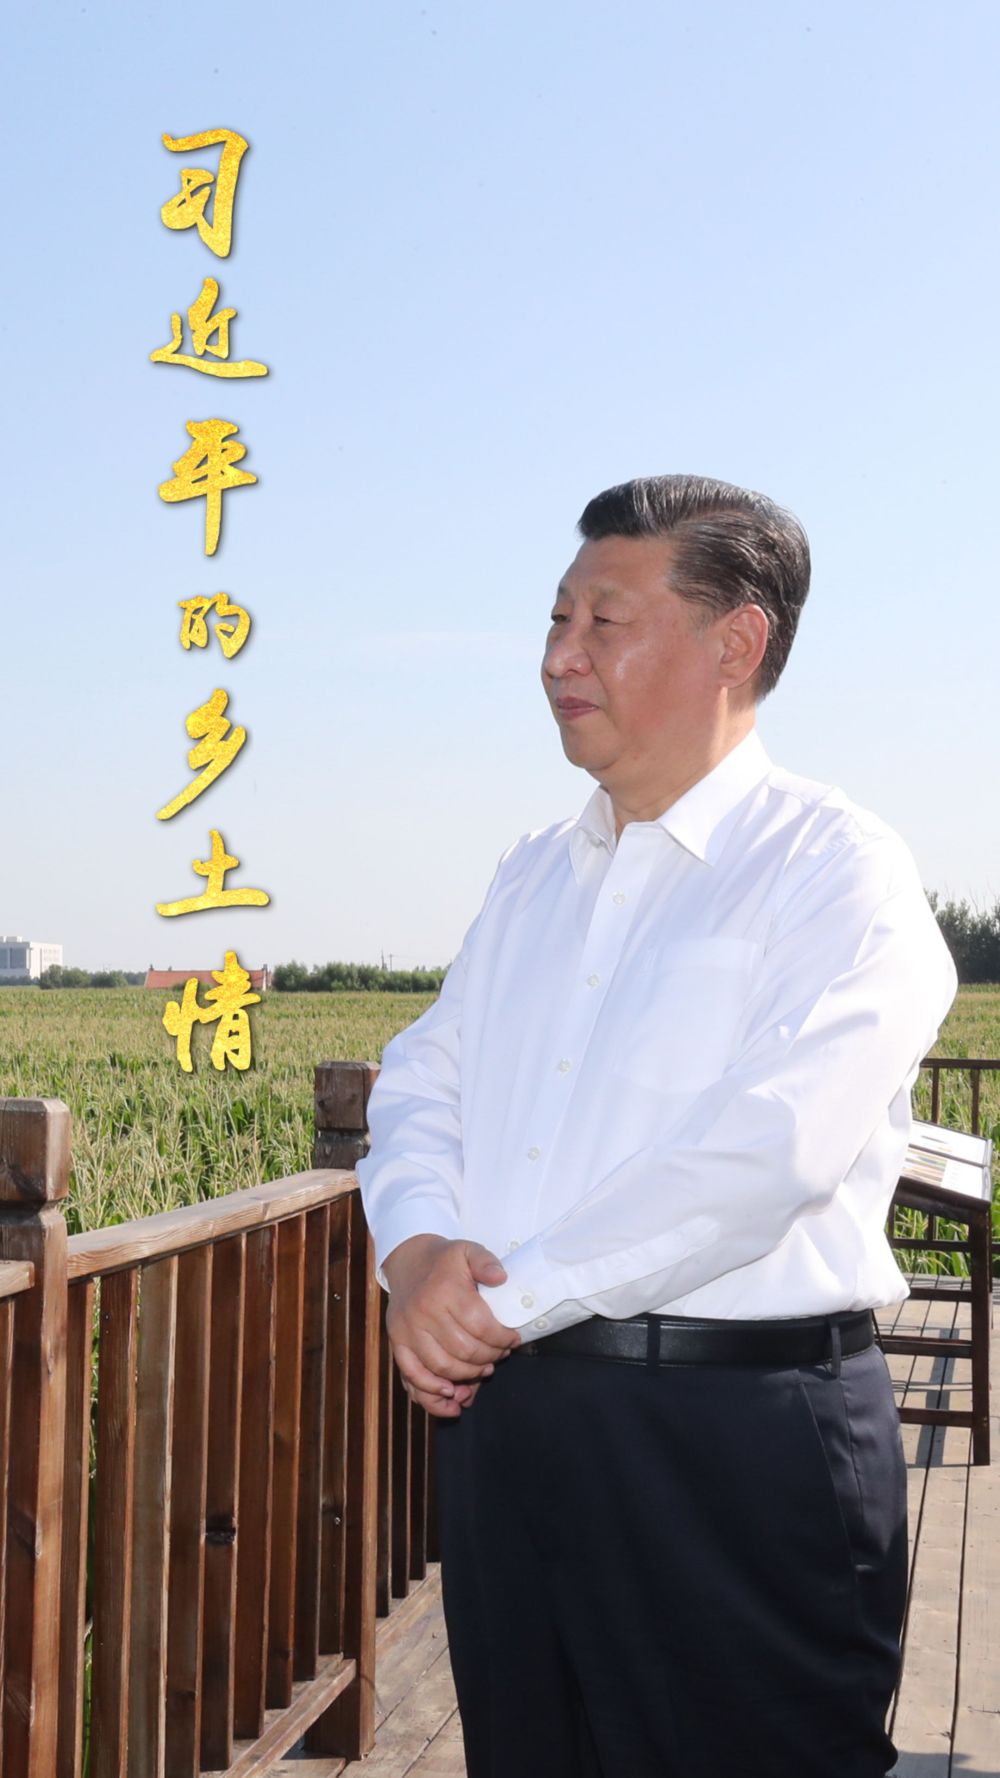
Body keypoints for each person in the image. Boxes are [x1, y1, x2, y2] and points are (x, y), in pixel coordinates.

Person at [355, 474, 958, 1778]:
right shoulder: (534, 872)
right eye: (556, 618)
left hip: (735, 1441)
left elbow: (768, 1151)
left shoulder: (836, 869)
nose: (558, 656)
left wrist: (495, 1303)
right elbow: (420, 1080)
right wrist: (415, 1253)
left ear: (735, 642)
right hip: (513, 1425)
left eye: (603, 620)